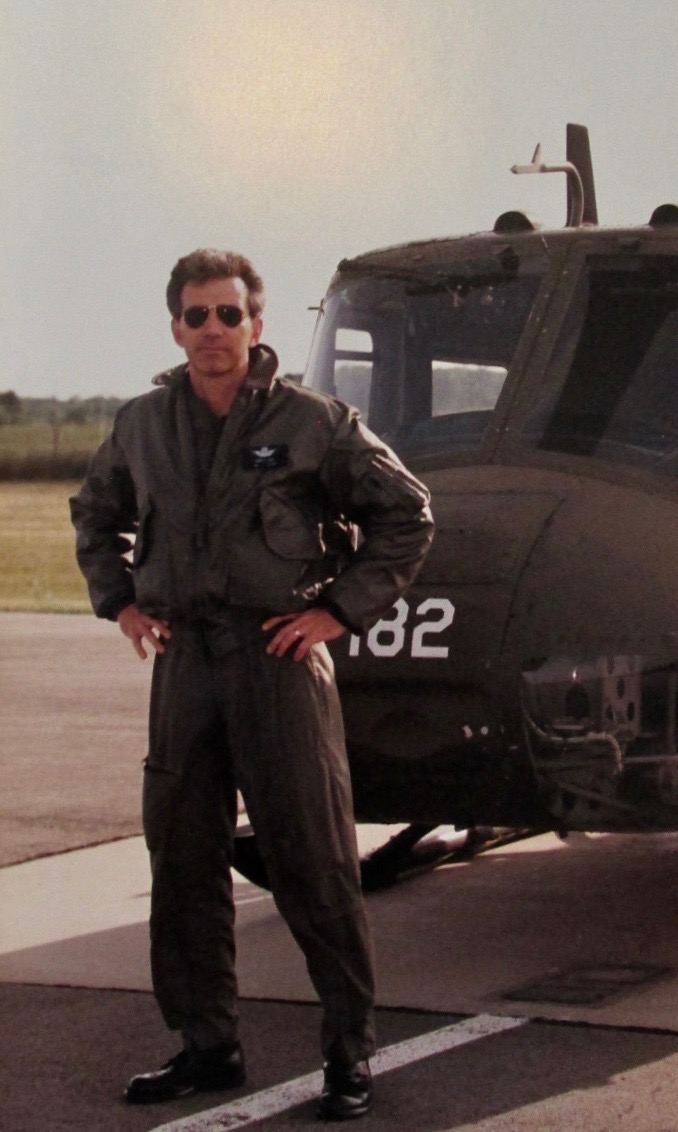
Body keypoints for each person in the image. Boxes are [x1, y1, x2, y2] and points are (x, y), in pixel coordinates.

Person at [70, 248, 434, 1120]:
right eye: (196, 315)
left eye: (228, 314)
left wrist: (338, 612)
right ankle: (208, 1045)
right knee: (182, 861)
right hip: (185, 663)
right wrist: (122, 603)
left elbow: (406, 514)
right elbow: (95, 514)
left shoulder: (313, 423)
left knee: (313, 861)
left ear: (255, 325)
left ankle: (349, 1052)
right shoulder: (143, 424)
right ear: (175, 327)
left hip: (277, 662)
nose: (213, 330)